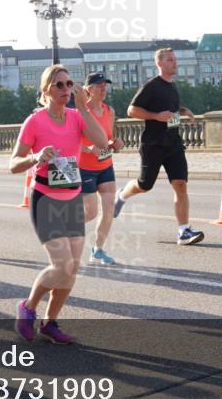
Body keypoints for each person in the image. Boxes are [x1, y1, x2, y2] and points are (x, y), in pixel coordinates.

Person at [10, 65, 107, 344]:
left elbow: (102, 142)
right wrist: (36, 157)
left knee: (72, 269)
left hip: (72, 198)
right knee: (61, 266)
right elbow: (13, 164)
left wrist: (83, 107)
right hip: (46, 199)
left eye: (69, 84)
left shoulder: (77, 116)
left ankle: (50, 323)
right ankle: (28, 307)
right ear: (46, 91)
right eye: (59, 85)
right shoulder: (35, 121)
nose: (66, 89)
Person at [113, 48, 204, 245]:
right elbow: (132, 110)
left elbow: (168, 109)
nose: (175, 63)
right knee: (145, 185)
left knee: (180, 184)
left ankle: (184, 231)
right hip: (153, 145)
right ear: (159, 63)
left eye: (175, 59)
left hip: (173, 144)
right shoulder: (151, 86)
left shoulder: (172, 86)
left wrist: (183, 110)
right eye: (170, 60)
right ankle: (121, 195)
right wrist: (155, 116)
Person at [78, 73, 123, 265]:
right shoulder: (80, 111)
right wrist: (89, 149)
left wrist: (115, 143)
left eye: (105, 85)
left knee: (109, 209)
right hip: (85, 168)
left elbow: (108, 138)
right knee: (90, 213)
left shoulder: (109, 111)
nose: (104, 88)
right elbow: (70, 141)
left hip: (105, 166)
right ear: (88, 89)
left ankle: (98, 250)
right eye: (99, 85)